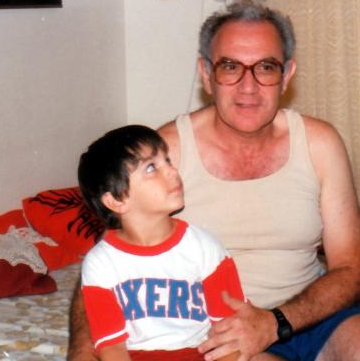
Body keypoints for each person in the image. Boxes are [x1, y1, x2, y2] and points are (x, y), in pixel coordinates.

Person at [68, 0, 360, 361]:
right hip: (209, 332)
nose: (248, 86)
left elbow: (353, 271)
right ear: (206, 74)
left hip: (309, 315)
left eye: (266, 67)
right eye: (230, 67)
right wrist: (81, 354)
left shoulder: (319, 143)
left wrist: (274, 322)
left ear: (287, 75)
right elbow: (108, 261)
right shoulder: (166, 151)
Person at [77, 125, 254, 361]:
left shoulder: (204, 248)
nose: (172, 171)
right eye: (151, 167)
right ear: (116, 200)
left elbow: (229, 334)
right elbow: (112, 347)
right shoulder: (101, 263)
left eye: (167, 160)